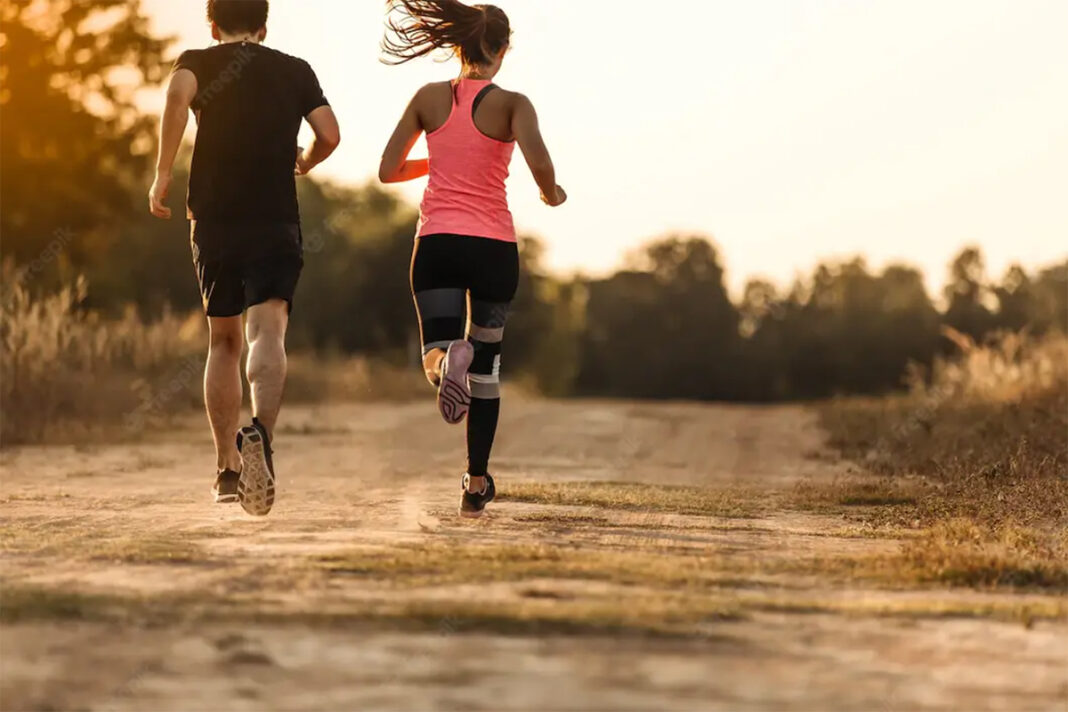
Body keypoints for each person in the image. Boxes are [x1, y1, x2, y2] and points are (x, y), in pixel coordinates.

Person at [149, 0, 340, 516]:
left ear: (212, 25)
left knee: (225, 340)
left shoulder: (198, 60)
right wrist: (306, 160)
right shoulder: (294, 69)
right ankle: (260, 435)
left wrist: (164, 171)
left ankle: (227, 471)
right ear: (263, 26)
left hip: (213, 218)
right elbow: (330, 134)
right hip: (274, 216)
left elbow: (175, 97)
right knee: (268, 331)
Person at [379, 0, 567, 518]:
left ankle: (445, 363)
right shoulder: (514, 104)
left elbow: (387, 170)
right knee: (488, 371)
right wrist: (552, 194)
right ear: (502, 50)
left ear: (457, 44)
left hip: (437, 242)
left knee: (432, 355)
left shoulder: (427, 98)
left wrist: (439, 158)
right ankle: (476, 480)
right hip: (493, 248)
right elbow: (541, 163)